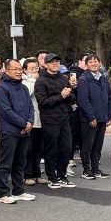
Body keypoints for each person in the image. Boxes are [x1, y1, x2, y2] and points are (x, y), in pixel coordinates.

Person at [0, 59, 34, 204]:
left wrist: (30, 122)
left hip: (24, 131)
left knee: (20, 162)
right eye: (14, 69)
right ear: (6, 71)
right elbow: (6, 111)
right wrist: (23, 124)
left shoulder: (23, 88)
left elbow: (30, 107)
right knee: (5, 163)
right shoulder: (1, 88)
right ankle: (3, 193)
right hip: (9, 131)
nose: (18, 72)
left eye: (20, 69)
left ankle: (18, 190)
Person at [35, 54, 75, 188]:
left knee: (67, 148)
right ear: (45, 64)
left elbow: (72, 98)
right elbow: (43, 101)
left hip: (64, 118)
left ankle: (62, 175)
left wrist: (69, 94)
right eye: (51, 62)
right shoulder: (41, 81)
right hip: (49, 119)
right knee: (51, 150)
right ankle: (52, 177)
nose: (55, 64)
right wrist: (61, 96)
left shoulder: (63, 79)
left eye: (57, 61)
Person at [76, 54, 111, 180]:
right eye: (90, 62)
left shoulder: (103, 78)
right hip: (89, 119)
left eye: (96, 61)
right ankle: (86, 170)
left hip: (102, 118)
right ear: (86, 65)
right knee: (87, 145)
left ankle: (95, 168)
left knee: (98, 145)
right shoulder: (84, 79)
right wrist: (91, 117)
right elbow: (83, 100)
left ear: (100, 63)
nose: (94, 64)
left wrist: (109, 116)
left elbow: (109, 98)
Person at [21, 58, 44, 186]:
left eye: (36, 68)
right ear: (24, 70)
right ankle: (26, 175)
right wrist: (33, 79)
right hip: (29, 120)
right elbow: (26, 93)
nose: (35, 71)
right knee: (28, 150)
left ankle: (36, 174)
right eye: (31, 69)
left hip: (41, 119)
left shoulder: (41, 79)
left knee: (38, 150)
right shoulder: (23, 81)